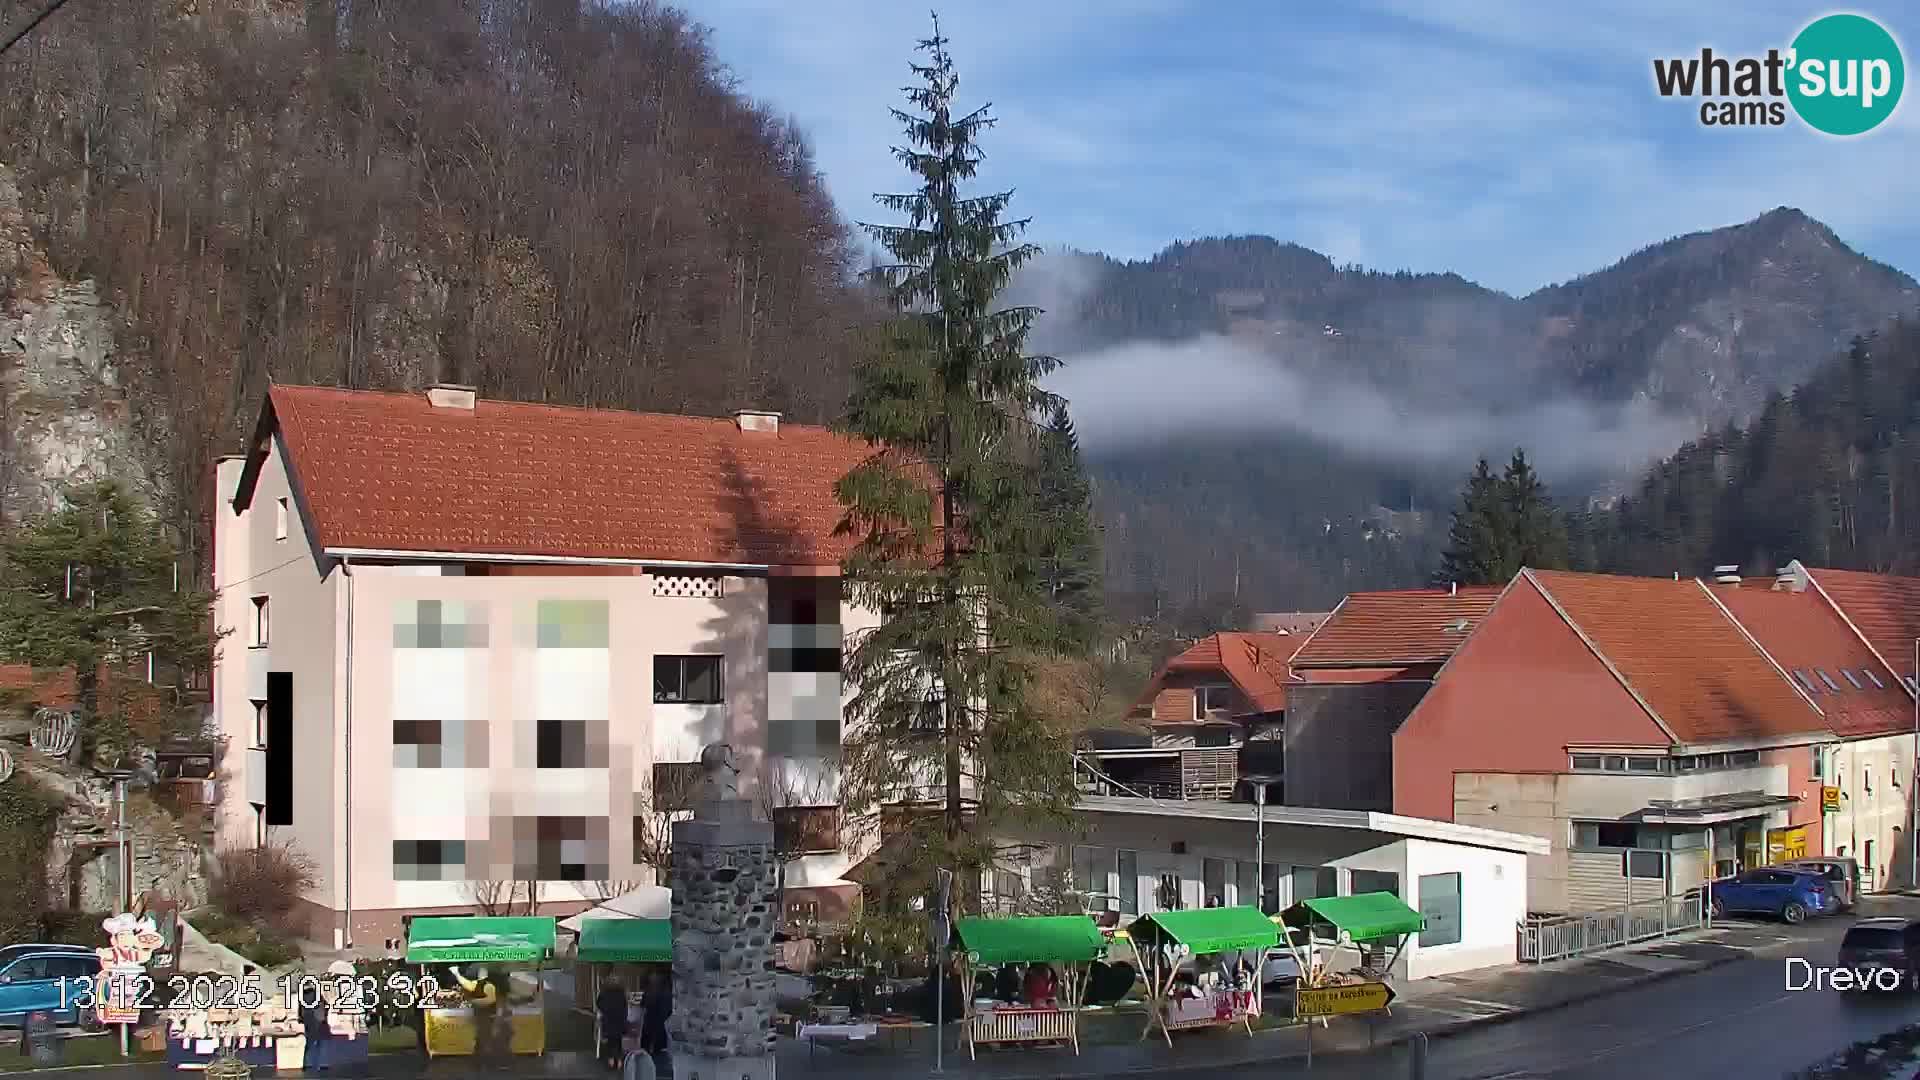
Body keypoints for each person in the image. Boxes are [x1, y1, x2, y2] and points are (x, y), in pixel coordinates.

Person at [596, 978, 631, 1070]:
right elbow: (625, 1007)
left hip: (608, 1021)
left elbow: (599, 1004)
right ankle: (619, 1061)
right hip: (619, 1022)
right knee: (618, 1041)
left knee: (610, 1042)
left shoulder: (604, 993)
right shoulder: (621, 994)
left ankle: (611, 1060)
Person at [638, 969, 672, 1062]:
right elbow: (670, 1009)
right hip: (662, 1022)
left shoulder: (649, 991)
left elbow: (643, 1005)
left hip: (650, 1021)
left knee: (646, 1043)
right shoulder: (667, 992)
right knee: (660, 1046)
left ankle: (646, 1061)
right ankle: (658, 1063)